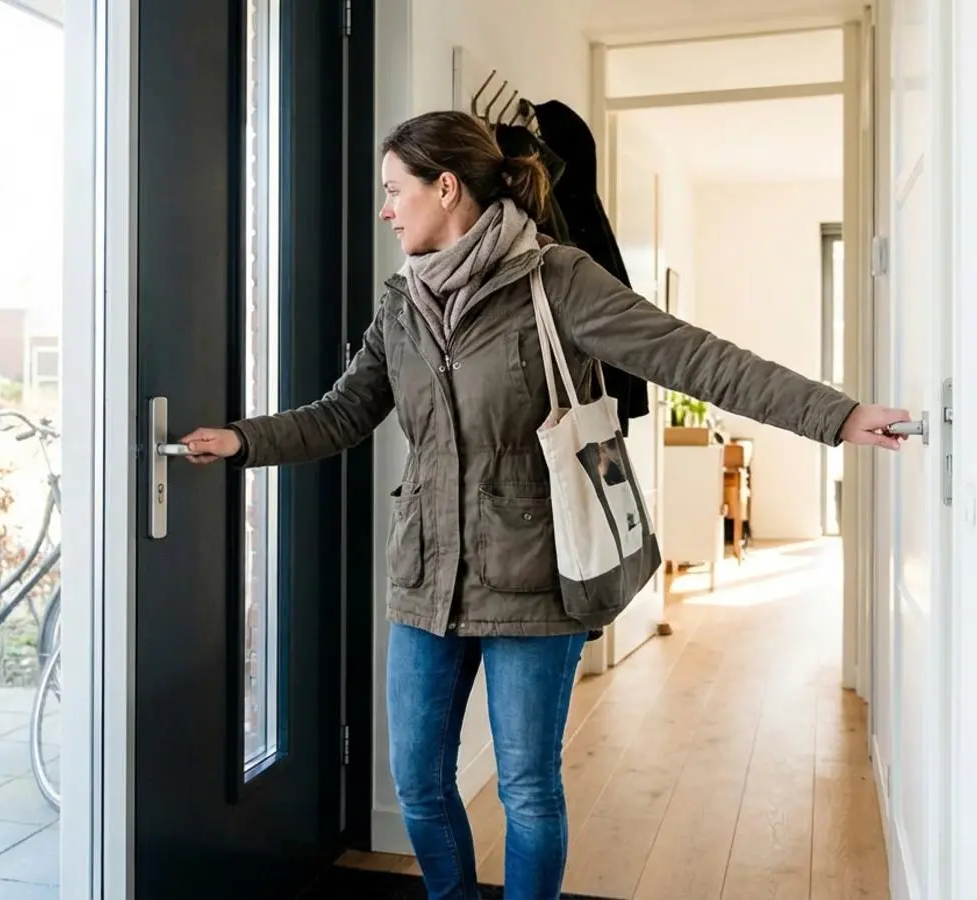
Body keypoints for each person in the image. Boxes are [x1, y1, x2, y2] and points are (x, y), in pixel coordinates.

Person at [177, 110, 910, 900]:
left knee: (526, 788)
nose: (386, 208)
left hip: (538, 578)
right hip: (428, 579)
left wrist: (834, 416)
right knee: (418, 782)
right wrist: (244, 441)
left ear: (445, 187)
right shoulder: (401, 303)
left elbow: (692, 356)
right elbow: (344, 412)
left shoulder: (556, 279)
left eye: (395, 190)